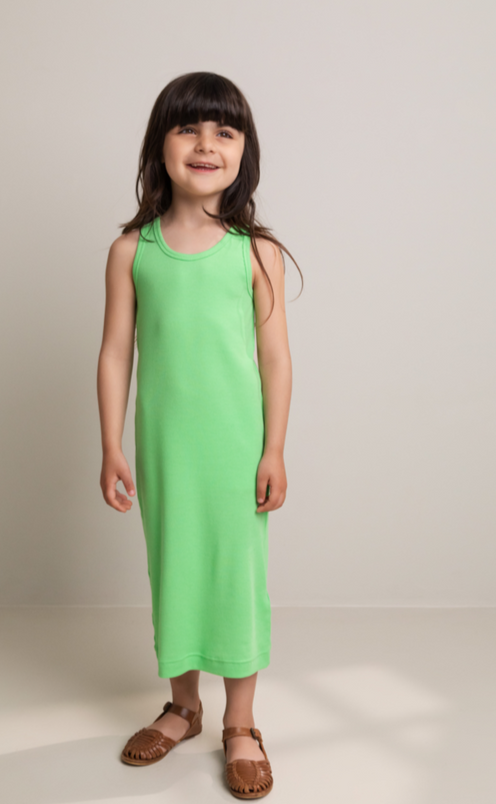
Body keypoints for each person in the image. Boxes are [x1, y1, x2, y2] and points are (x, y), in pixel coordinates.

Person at [97, 71, 301, 799]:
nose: (206, 144)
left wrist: (273, 448)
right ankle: (183, 706)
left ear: (244, 151)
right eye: (188, 128)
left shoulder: (255, 251)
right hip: (165, 447)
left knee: (235, 574)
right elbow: (115, 352)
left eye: (224, 131)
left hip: (236, 447)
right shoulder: (132, 250)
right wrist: (111, 445)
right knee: (175, 567)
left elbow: (275, 358)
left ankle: (240, 722)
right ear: (160, 145)